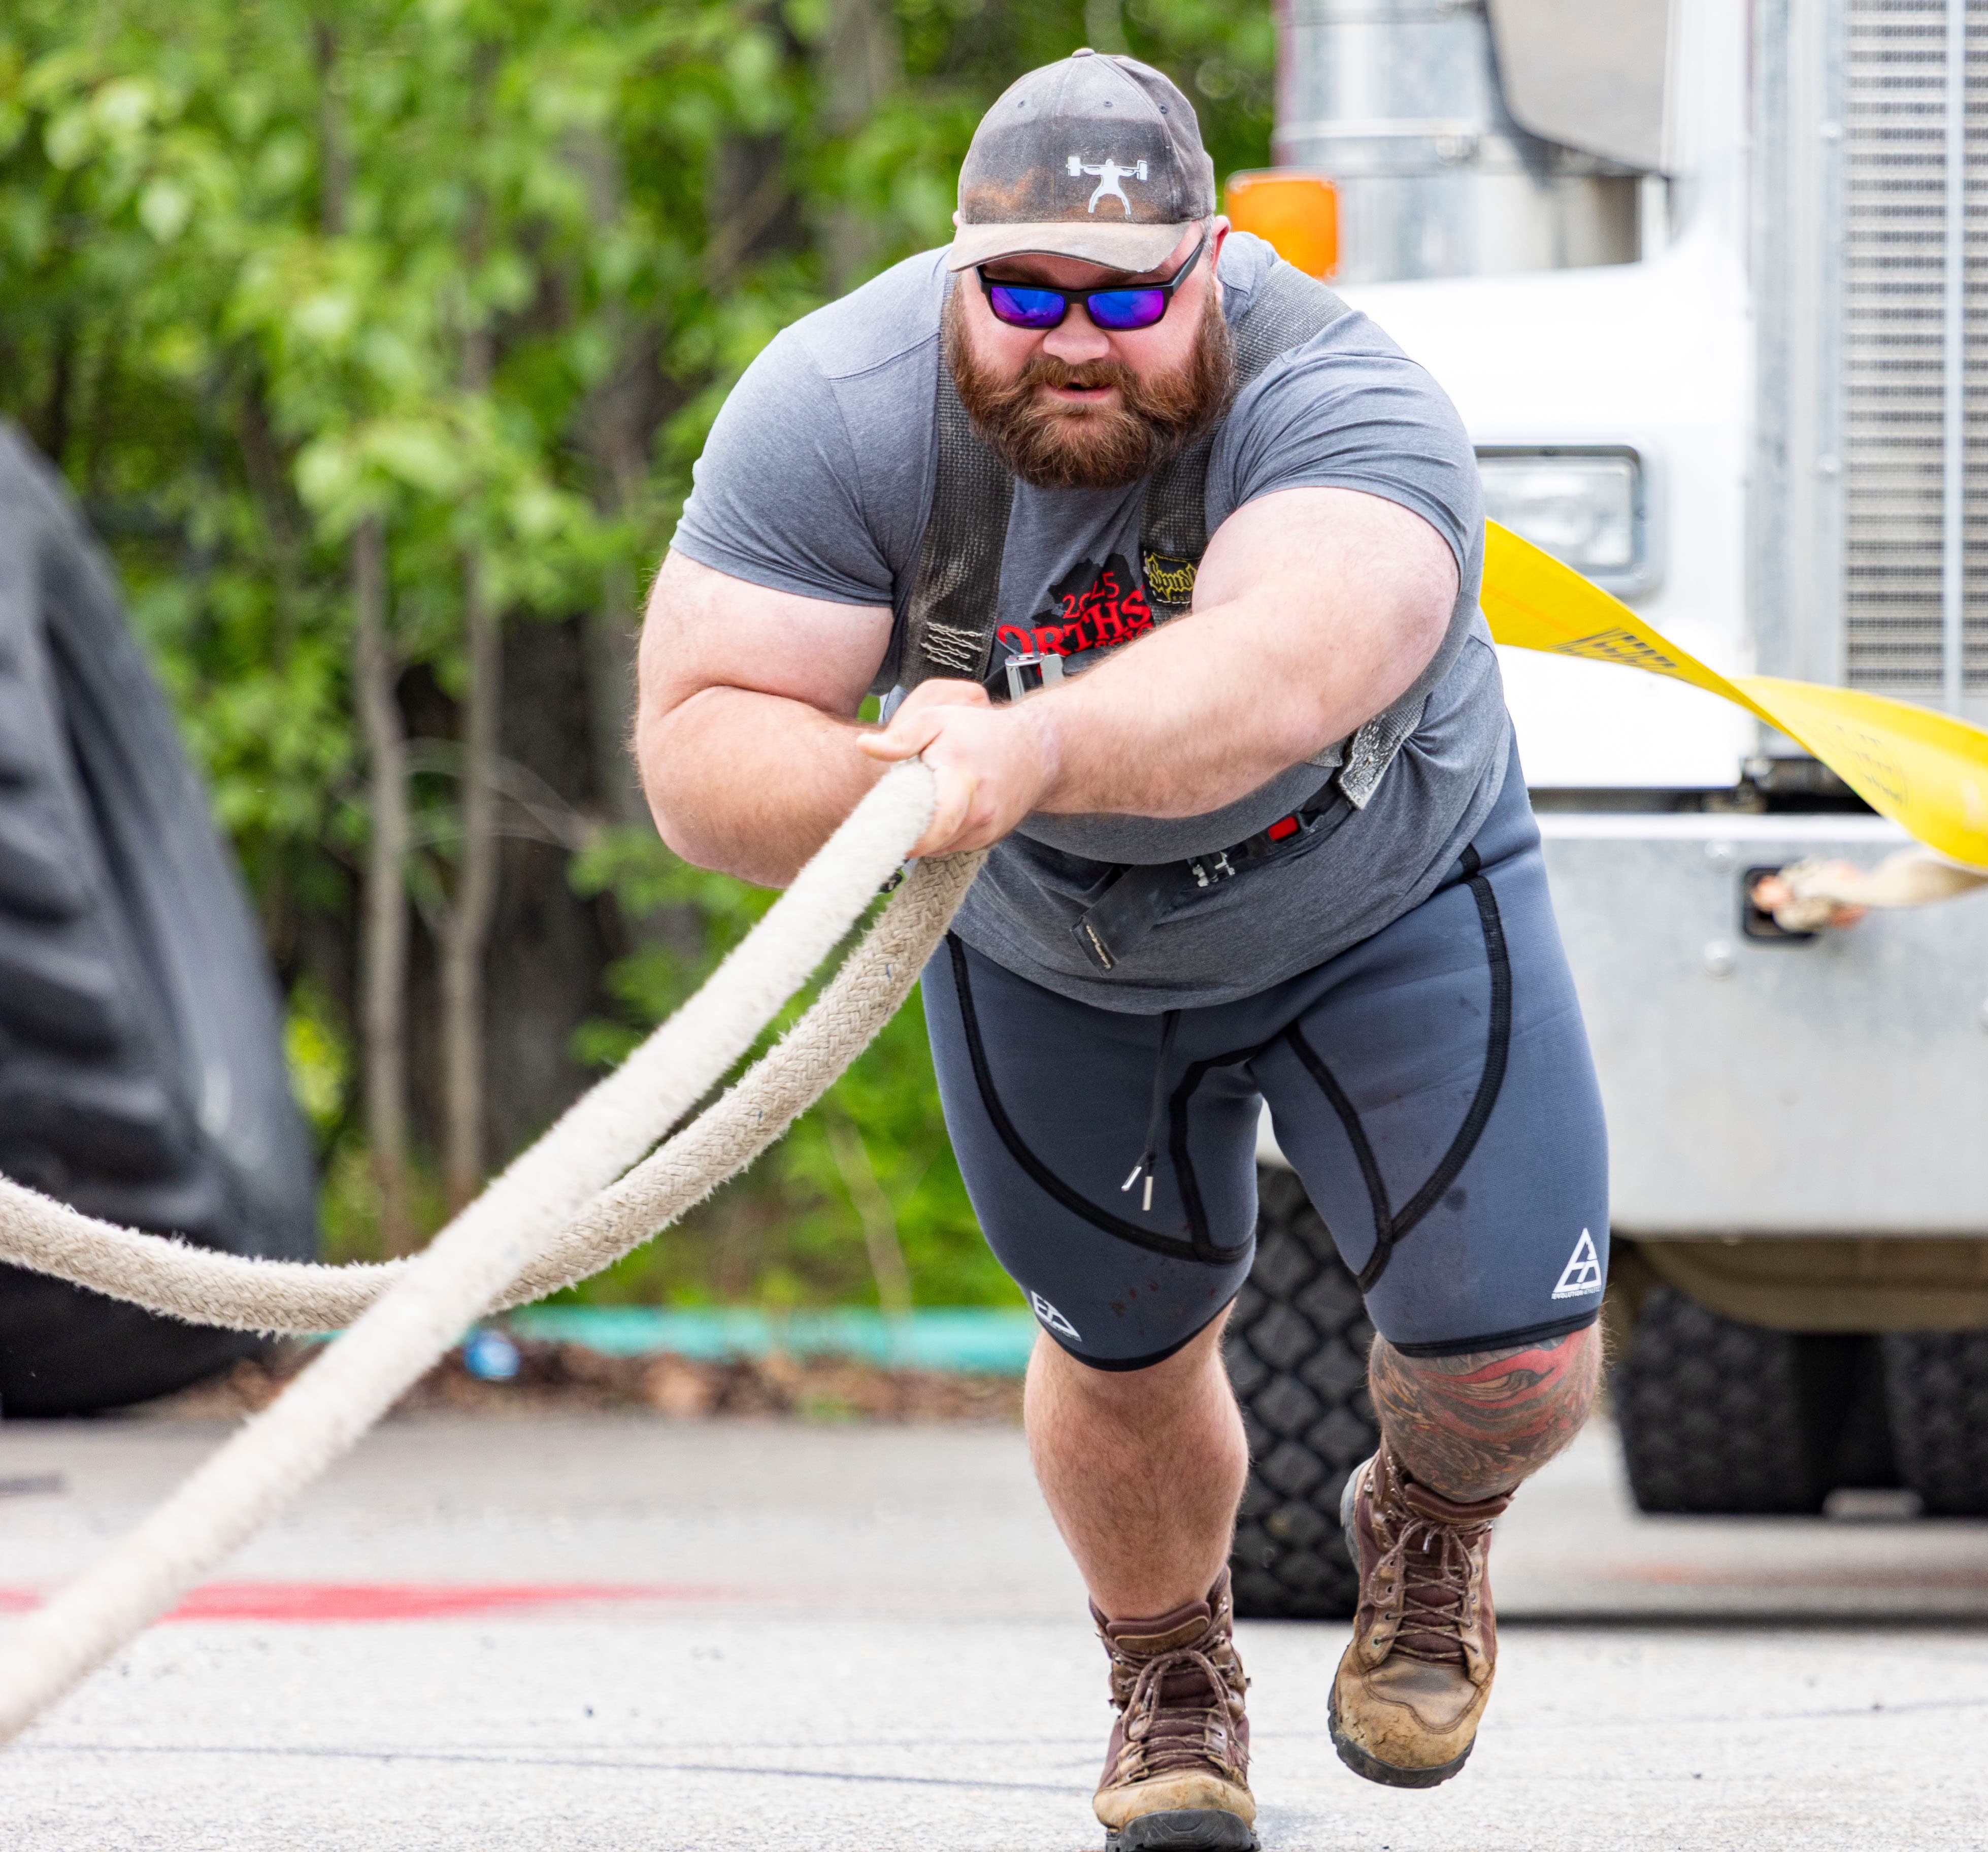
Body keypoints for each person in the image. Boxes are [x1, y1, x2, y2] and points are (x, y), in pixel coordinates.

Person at [636, 49, 1609, 1852]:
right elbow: (697, 746)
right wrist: (882, 779)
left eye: (1127, 298)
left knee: (1516, 1373)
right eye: (1022, 295)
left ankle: (1430, 1526)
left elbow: (1284, 668)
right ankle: (1171, 1669)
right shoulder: (840, 403)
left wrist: (1021, 747)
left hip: (1381, 893)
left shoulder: (1346, 394)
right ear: (958, 275)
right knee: (1123, 1348)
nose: (1073, 340)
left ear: (1214, 267)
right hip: (1048, 944)